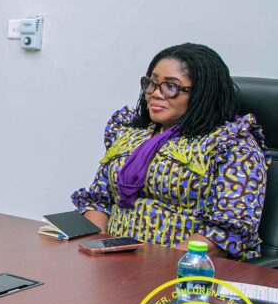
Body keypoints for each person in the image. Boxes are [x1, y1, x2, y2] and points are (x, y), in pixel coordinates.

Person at [72, 43, 270, 259]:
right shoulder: (131, 132)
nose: (155, 94)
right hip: (114, 261)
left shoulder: (232, 144)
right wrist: (97, 246)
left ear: (202, 94)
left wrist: (161, 265)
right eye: (152, 83)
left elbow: (227, 231)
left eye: (171, 87)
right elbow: (99, 199)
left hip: (183, 269)